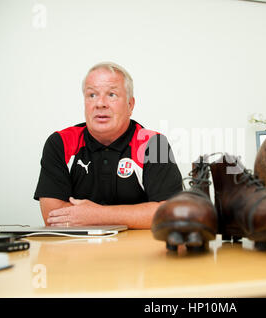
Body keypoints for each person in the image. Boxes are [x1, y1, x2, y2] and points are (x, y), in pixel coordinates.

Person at [34, 62, 182, 229]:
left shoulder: (154, 144)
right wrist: (140, 215)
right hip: (77, 252)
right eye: (92, 95)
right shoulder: (60, 143)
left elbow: (170, 214)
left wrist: (95, 215)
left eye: (111, 94)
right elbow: (53, 218)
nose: (100, 104)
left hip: (137, 251)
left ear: (130, 105)